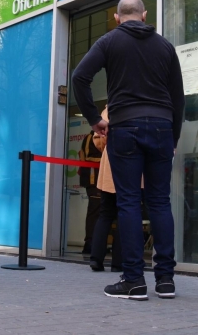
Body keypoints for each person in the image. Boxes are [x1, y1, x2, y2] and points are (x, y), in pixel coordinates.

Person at [72, 0, 185, 301]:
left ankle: (134, 280)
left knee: (129, 202)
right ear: (145, 15)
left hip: (125, 128)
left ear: (117, 17)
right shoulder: (165, 46)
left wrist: (96, 120)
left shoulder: (109, 41)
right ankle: (165, 280)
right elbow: (178, 97)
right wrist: (172, 138)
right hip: (162, 127)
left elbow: (79, 78)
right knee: (160, 203)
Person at [89, 106, 123, 273]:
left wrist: (107, 147)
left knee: (105, 214)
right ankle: (119, 262)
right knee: (126, 213)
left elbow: (98, 139)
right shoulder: (139, 102)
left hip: (110, 165)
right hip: (133, 166)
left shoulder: (110, 109)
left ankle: (96, 258)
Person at [78, 130, 102, 254]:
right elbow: (88, 155)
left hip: (104, 179)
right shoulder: (90, 137)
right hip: (94, 179)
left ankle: (98, 243)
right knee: (95, 211)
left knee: (103, 212)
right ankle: (90, 243)